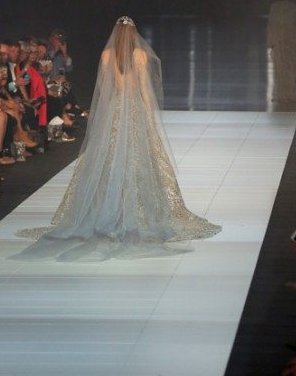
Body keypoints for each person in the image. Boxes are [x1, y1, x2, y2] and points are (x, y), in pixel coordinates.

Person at [17, 16, 221, 245]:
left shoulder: (106, 55)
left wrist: (102, 117)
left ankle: (107, 208)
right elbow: (144, 89)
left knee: (110, 158)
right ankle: (138, 209)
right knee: (137, 158)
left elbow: (104, 89)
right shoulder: (140, 55)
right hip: (134, 109)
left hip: (114, 109)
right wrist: (149, 117)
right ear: (133, 34)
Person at [267, 0, 296, 106]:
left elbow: (271, 25)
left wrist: (271, 41)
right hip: (284, 42)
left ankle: (288, 95)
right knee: (286, 70)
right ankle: (288, 95)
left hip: (283, 42)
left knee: (285, 70)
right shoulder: (290, 7)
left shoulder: (276, 7)